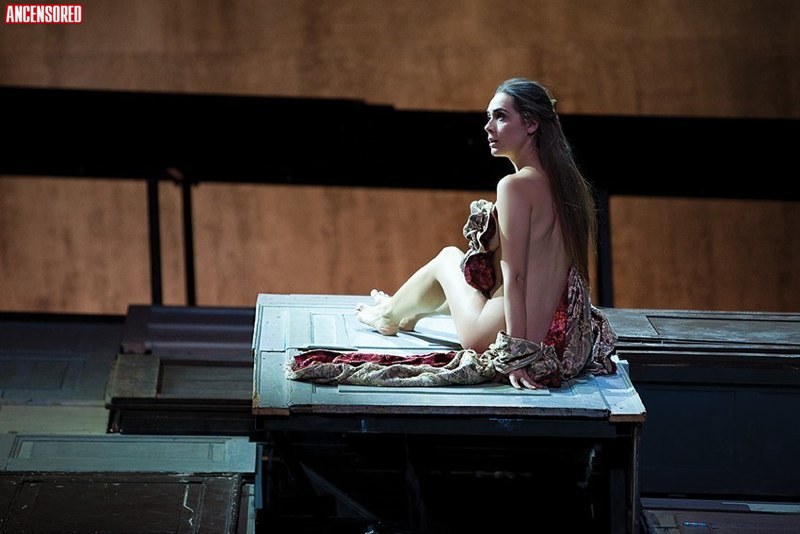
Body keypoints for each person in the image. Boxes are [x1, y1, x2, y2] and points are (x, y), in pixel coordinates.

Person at [355, 78, 615, 390]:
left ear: (531, 124)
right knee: (470, 274)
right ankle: (406, 309)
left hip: (494, 333)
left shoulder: (515, 187)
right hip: (553, 337)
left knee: (447, 258)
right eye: (488, 117)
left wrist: (516, 355)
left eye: (500, 117)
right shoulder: (567, 185)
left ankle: (389, 314)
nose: (488, 127)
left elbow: (516, 277)